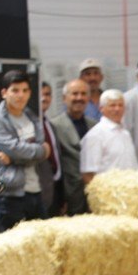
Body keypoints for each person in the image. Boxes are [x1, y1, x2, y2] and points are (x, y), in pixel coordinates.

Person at [0, 69, 51, 231]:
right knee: (16, 251)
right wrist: (38, 151)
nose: (20, 95)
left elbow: (34, 152)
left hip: (35, 190)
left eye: (25, 90)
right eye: (15, 90)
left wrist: (13, 158)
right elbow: (25, 150)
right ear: (4, 93)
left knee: (41, 244)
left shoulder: (31, 116)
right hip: (10, 195)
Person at [50, 79, 96, 215]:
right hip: (68, 194)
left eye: (83, 94)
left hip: (92, 191)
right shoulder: (54, 126)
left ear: (88, 98)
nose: (79, 98)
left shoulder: (95, 126)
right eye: (74, 94)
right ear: (64, 98)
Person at [80, 89, 138, 184]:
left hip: (130, 191)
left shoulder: (125, 133)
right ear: (101, 109)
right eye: (112, 105)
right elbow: (88, 174)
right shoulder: (95, 136)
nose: (117, 109)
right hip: (109, 194)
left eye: (120, 105)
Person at [36, 81, 63, 217]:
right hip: (38, 191)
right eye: (40, 94)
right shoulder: (30, 125)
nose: (44, 98)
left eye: (47, 94)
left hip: (54, 188)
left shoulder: (50, 125)